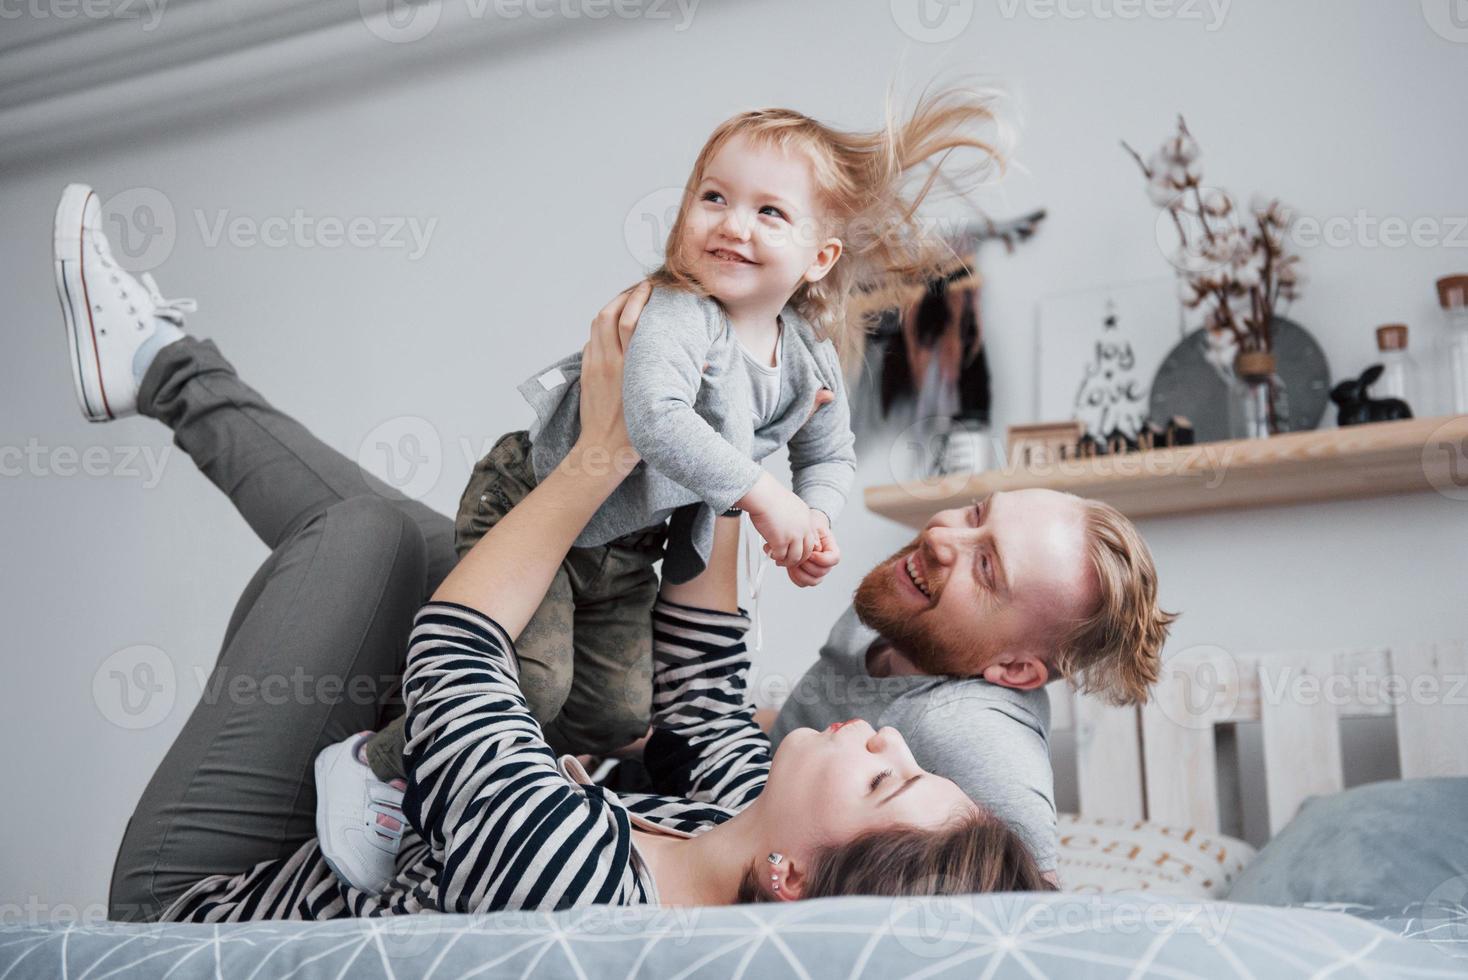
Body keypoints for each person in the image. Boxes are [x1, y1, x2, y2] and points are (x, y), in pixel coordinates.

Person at [55, 186, 1048, 922]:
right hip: (336, 826)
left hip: (204, 890)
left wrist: (606, 447)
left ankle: (162, 364)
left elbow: (453, 654)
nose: (882, 737)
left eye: (884, 779)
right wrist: (736, 429)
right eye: (906, 757)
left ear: (791, 876)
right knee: (430, 543)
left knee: (383, 541)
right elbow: (699, 675)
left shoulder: (578, 891)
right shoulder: (738, 813)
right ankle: (159, 362)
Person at [321, 83, 1014, 892]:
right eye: (713, 197)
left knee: (619, 715)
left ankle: (498, 776)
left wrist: (815, 517)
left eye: (769, 213)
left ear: (819, 258)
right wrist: (766, 497)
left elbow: (830, 454)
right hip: (538, 490)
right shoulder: (682, 315)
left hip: (627, 547)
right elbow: (650, 423)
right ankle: (374, 765)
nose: (732, 223)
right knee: (528, 674)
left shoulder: (805, 357)